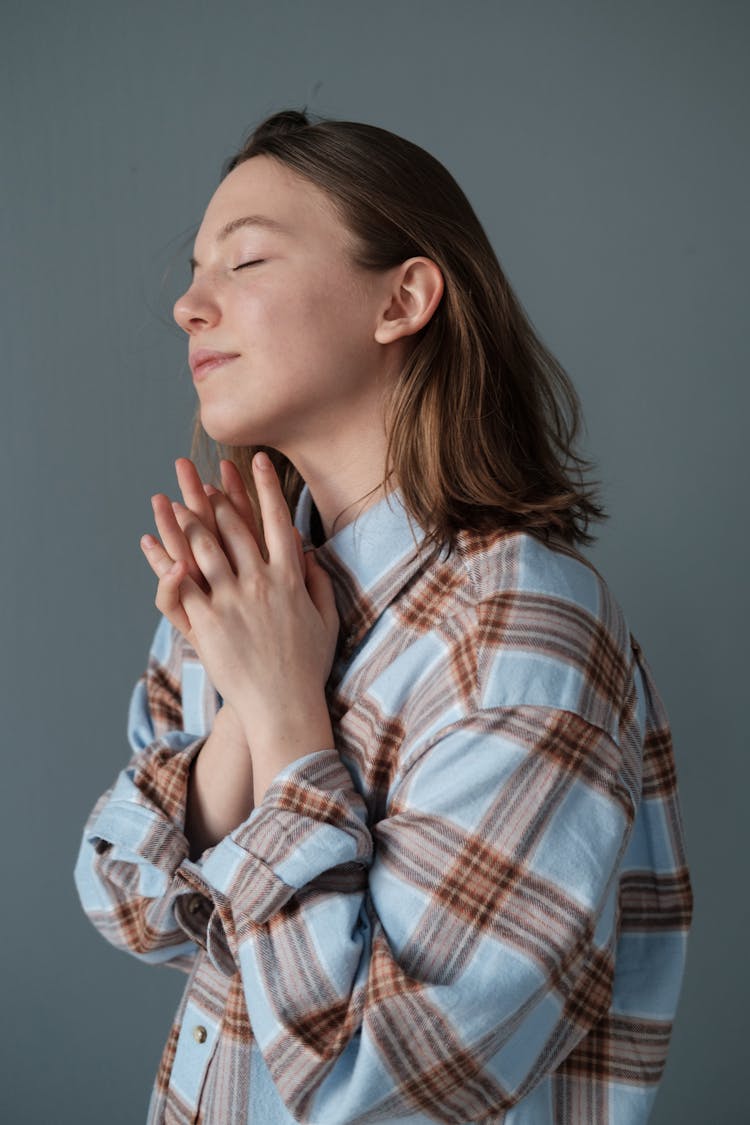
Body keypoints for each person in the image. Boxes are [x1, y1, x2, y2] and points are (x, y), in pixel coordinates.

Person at [73, 108, 694, 1124]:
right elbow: (127, 906)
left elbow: (381, 1083)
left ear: (403, 298)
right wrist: (245, 709)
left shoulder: (525, 633)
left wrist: (283, 717)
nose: (189, 305)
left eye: (247, 260)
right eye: (193, 269)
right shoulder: (242, 591)